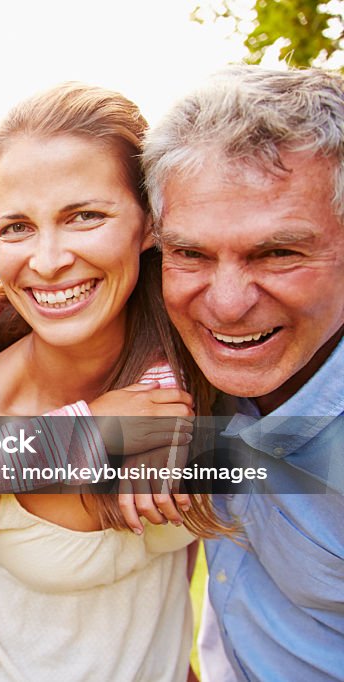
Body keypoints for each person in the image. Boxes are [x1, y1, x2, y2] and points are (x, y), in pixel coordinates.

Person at [0, 83, 230, 681]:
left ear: (150, 223)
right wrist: (92, 434)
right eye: (17, 227)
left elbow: (298, 468)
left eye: (84, 216)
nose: (46, 260)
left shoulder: (205, 368)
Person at [142, 65, 344, 681]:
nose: (226, 304)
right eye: (191, 254)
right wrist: (94, 438)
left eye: (278, 252)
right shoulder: (190, 381)